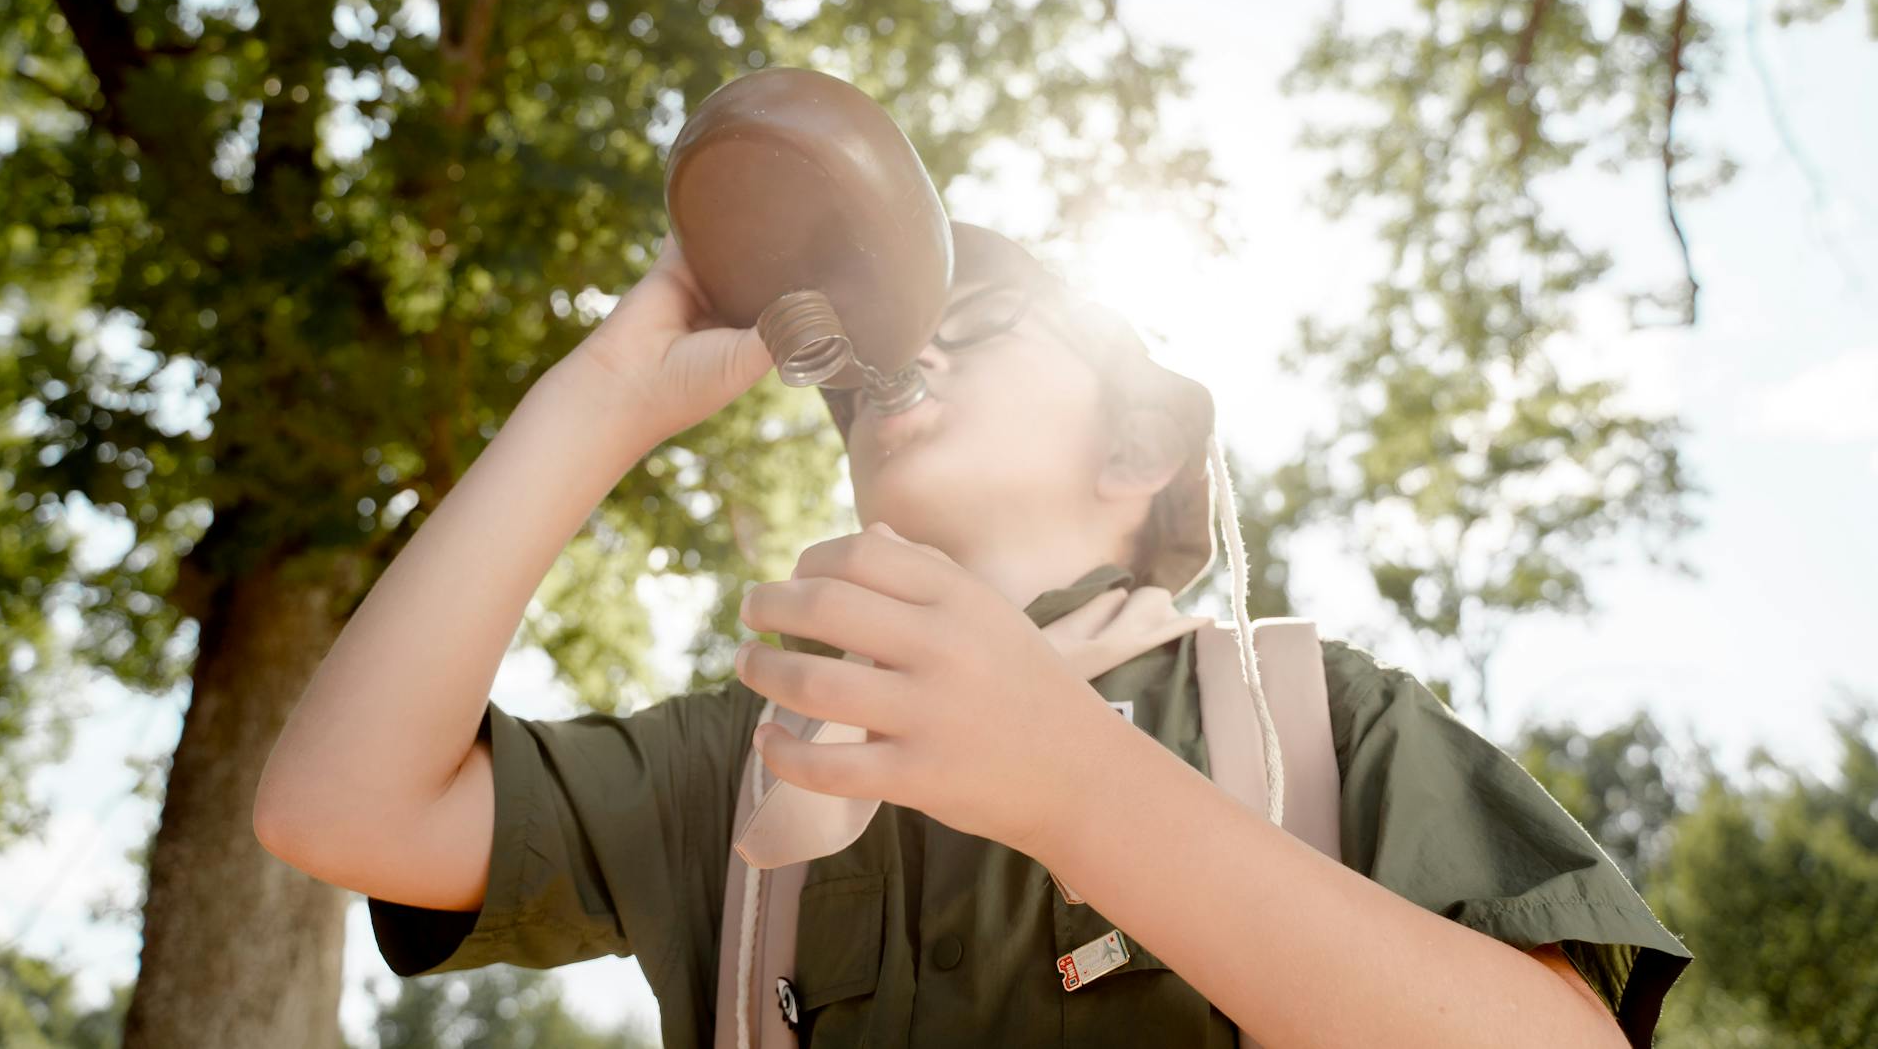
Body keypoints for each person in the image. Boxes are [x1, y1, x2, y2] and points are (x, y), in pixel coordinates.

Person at [254, 221, 1693, 1049]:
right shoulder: (743, 757)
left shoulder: (1317, 716)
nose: (907, 349)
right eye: (879, 344)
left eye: (986, 317)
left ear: (1135, 448)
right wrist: (608, 393)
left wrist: (1072, 780)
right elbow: (342, 806)